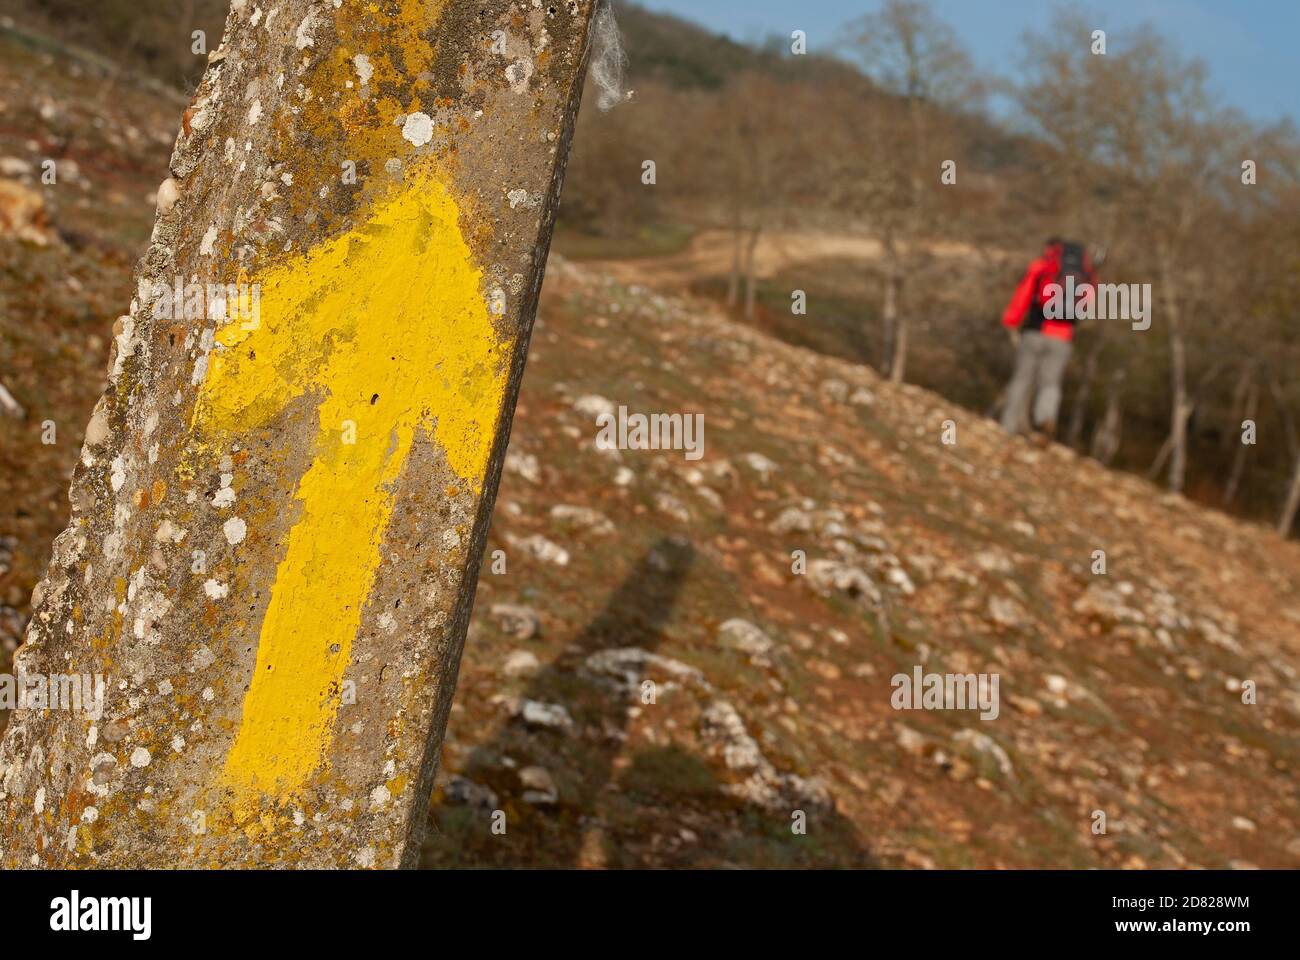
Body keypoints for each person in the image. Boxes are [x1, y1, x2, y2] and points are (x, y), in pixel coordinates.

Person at [999, 238, 1097, 440]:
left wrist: (1011, 320)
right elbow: (1088, 304)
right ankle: (1045, 417)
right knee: (1050, 383)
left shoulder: (1042, 266)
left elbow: (1023, 294)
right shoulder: (1086, 274)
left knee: (1022, 378)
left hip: (1036, 330)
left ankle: (1008, 426)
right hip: (1063, 336)